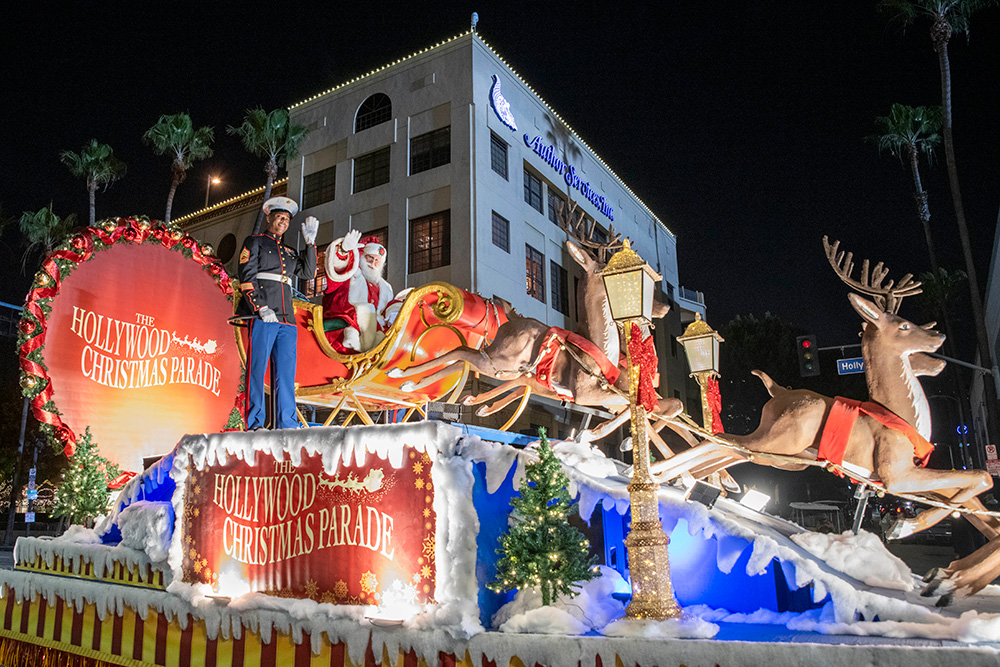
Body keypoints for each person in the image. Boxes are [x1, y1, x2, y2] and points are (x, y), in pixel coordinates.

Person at [238, 197, 317, 429]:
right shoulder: (254, 242)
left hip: (286, 319)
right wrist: (260, 307)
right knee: (257, 370)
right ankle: (254, 424)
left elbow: (308, 272)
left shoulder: (289, 251)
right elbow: (247, 278)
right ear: (270, 218)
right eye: (280, 217)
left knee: (285, 375)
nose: (283, 222)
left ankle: (287, 424)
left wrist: (310, 243)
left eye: (287, 219)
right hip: (264, 314)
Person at [322, 229, 394, 353]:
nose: (373, 263)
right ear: (362, 257)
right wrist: (344, 252)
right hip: (344, 324)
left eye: (377, 260)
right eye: (370, 257)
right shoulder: (350, 273)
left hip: (377, 333)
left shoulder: (386, 288)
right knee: (367, 309)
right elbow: (338, 269)